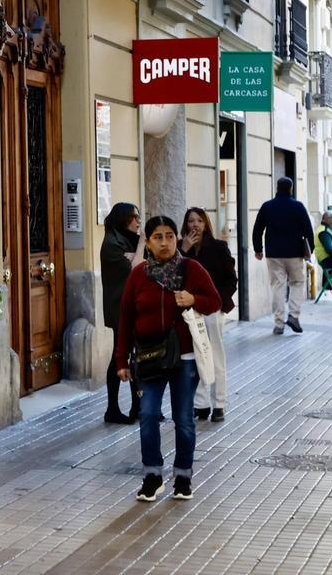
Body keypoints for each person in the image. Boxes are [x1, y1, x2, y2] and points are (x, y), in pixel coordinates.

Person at [116, 216, 221, 501]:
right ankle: (152, 475)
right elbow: (125, 317)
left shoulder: (192, 270)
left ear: (177, 239)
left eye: (170, 236)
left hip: (184, 357)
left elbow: (215, 302)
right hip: (149, 358)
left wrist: (193, 299)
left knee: (184, 419)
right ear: (148, 242)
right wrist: (121, 361)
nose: (165, 242)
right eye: (158, 237)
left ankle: (183, 477)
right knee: (148, 415)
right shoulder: (139, 275)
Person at [180, 208, 238, 422]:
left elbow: (231, 279)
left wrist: (219, 303)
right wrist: (184, 250)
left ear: (205, 224)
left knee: (215, 356)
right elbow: (174, 276)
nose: (195, 225)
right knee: (195, 357)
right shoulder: (180, 249)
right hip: (189, 311)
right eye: (191, 221)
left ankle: (219, 404)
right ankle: (201, 404)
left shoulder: (218, 247)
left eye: (199, 221)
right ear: (185, 225)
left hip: (213, 309)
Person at [100, 202, 144, 424]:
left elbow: (145, 262)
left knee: (135, 356)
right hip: (120, 309)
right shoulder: (112, 243)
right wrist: (141, 248)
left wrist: (136, 254)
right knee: (121, 356)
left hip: (134, 307)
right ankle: (113, 409)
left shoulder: (127, 239)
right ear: (123, 218)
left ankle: (139, 406)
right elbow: (137, 267)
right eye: (135, 217)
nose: (139, 221)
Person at [252, 177, 315, 334]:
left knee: (277, 286)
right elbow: (308, 230)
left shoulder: (267, 206)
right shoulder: (298, 207)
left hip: (273, 254)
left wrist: (258, 249)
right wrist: (310, 250)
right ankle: (294, 316)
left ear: (277, 188)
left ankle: (279, 323)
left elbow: (257, 228)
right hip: (294, 253)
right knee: (297, 283)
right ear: (291, 189)